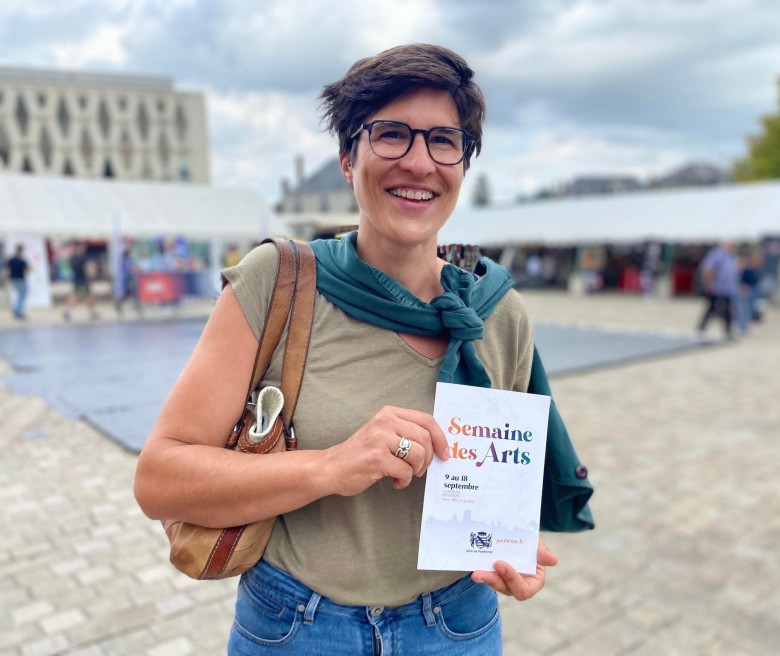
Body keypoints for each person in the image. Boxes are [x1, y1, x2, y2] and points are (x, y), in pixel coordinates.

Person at [134, 44, 592, 655]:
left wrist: (508, 545)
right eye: (392, 134)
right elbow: (160, 479)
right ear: (348, 159)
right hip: (296, 626)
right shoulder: (278, 282)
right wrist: (331, 466)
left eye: (444, 141)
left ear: (463, 165)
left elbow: (495, 484)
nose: (419, 162)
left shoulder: (498, 313)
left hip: (457, 627)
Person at [697, 241, 738, 339]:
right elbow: (708, 269)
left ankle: (727, 330)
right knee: (711, 308)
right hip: (717, 287)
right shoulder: (717, 254)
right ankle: (702, 328)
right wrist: (709, 284)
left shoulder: (731, 256)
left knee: (727, 310)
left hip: (726, 288)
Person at [64, 241, 99, 321]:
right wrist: (91, 273)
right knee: (88, 295)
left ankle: (68, 311)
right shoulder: (84, 257)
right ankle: (92, 312)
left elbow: (70, 267)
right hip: (83, 279)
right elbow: (87, 268)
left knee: (76, 295)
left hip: (76, 279)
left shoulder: (73, 257)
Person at [6, 244, 29, 320]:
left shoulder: (11, 259)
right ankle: (18, 311)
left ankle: (16, 310)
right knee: (21, 296)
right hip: (20, 279)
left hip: (13, 279)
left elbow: (8, 269)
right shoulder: (22, 260)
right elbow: (27, 269)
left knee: (19, 295)